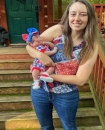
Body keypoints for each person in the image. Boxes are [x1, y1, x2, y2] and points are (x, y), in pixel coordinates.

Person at [26, 0, 98, 129]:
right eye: (73, 14)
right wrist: (40, 55)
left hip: (66, 94)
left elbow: (80, 79)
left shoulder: (91, 46)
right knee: (45, 127)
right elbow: (30, 47)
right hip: (40, 91)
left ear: (89, 18)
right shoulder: (59, 29)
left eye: (83, 14)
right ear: (68, 15)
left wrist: (48, 75)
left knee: (69, 127)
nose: (77, 19)